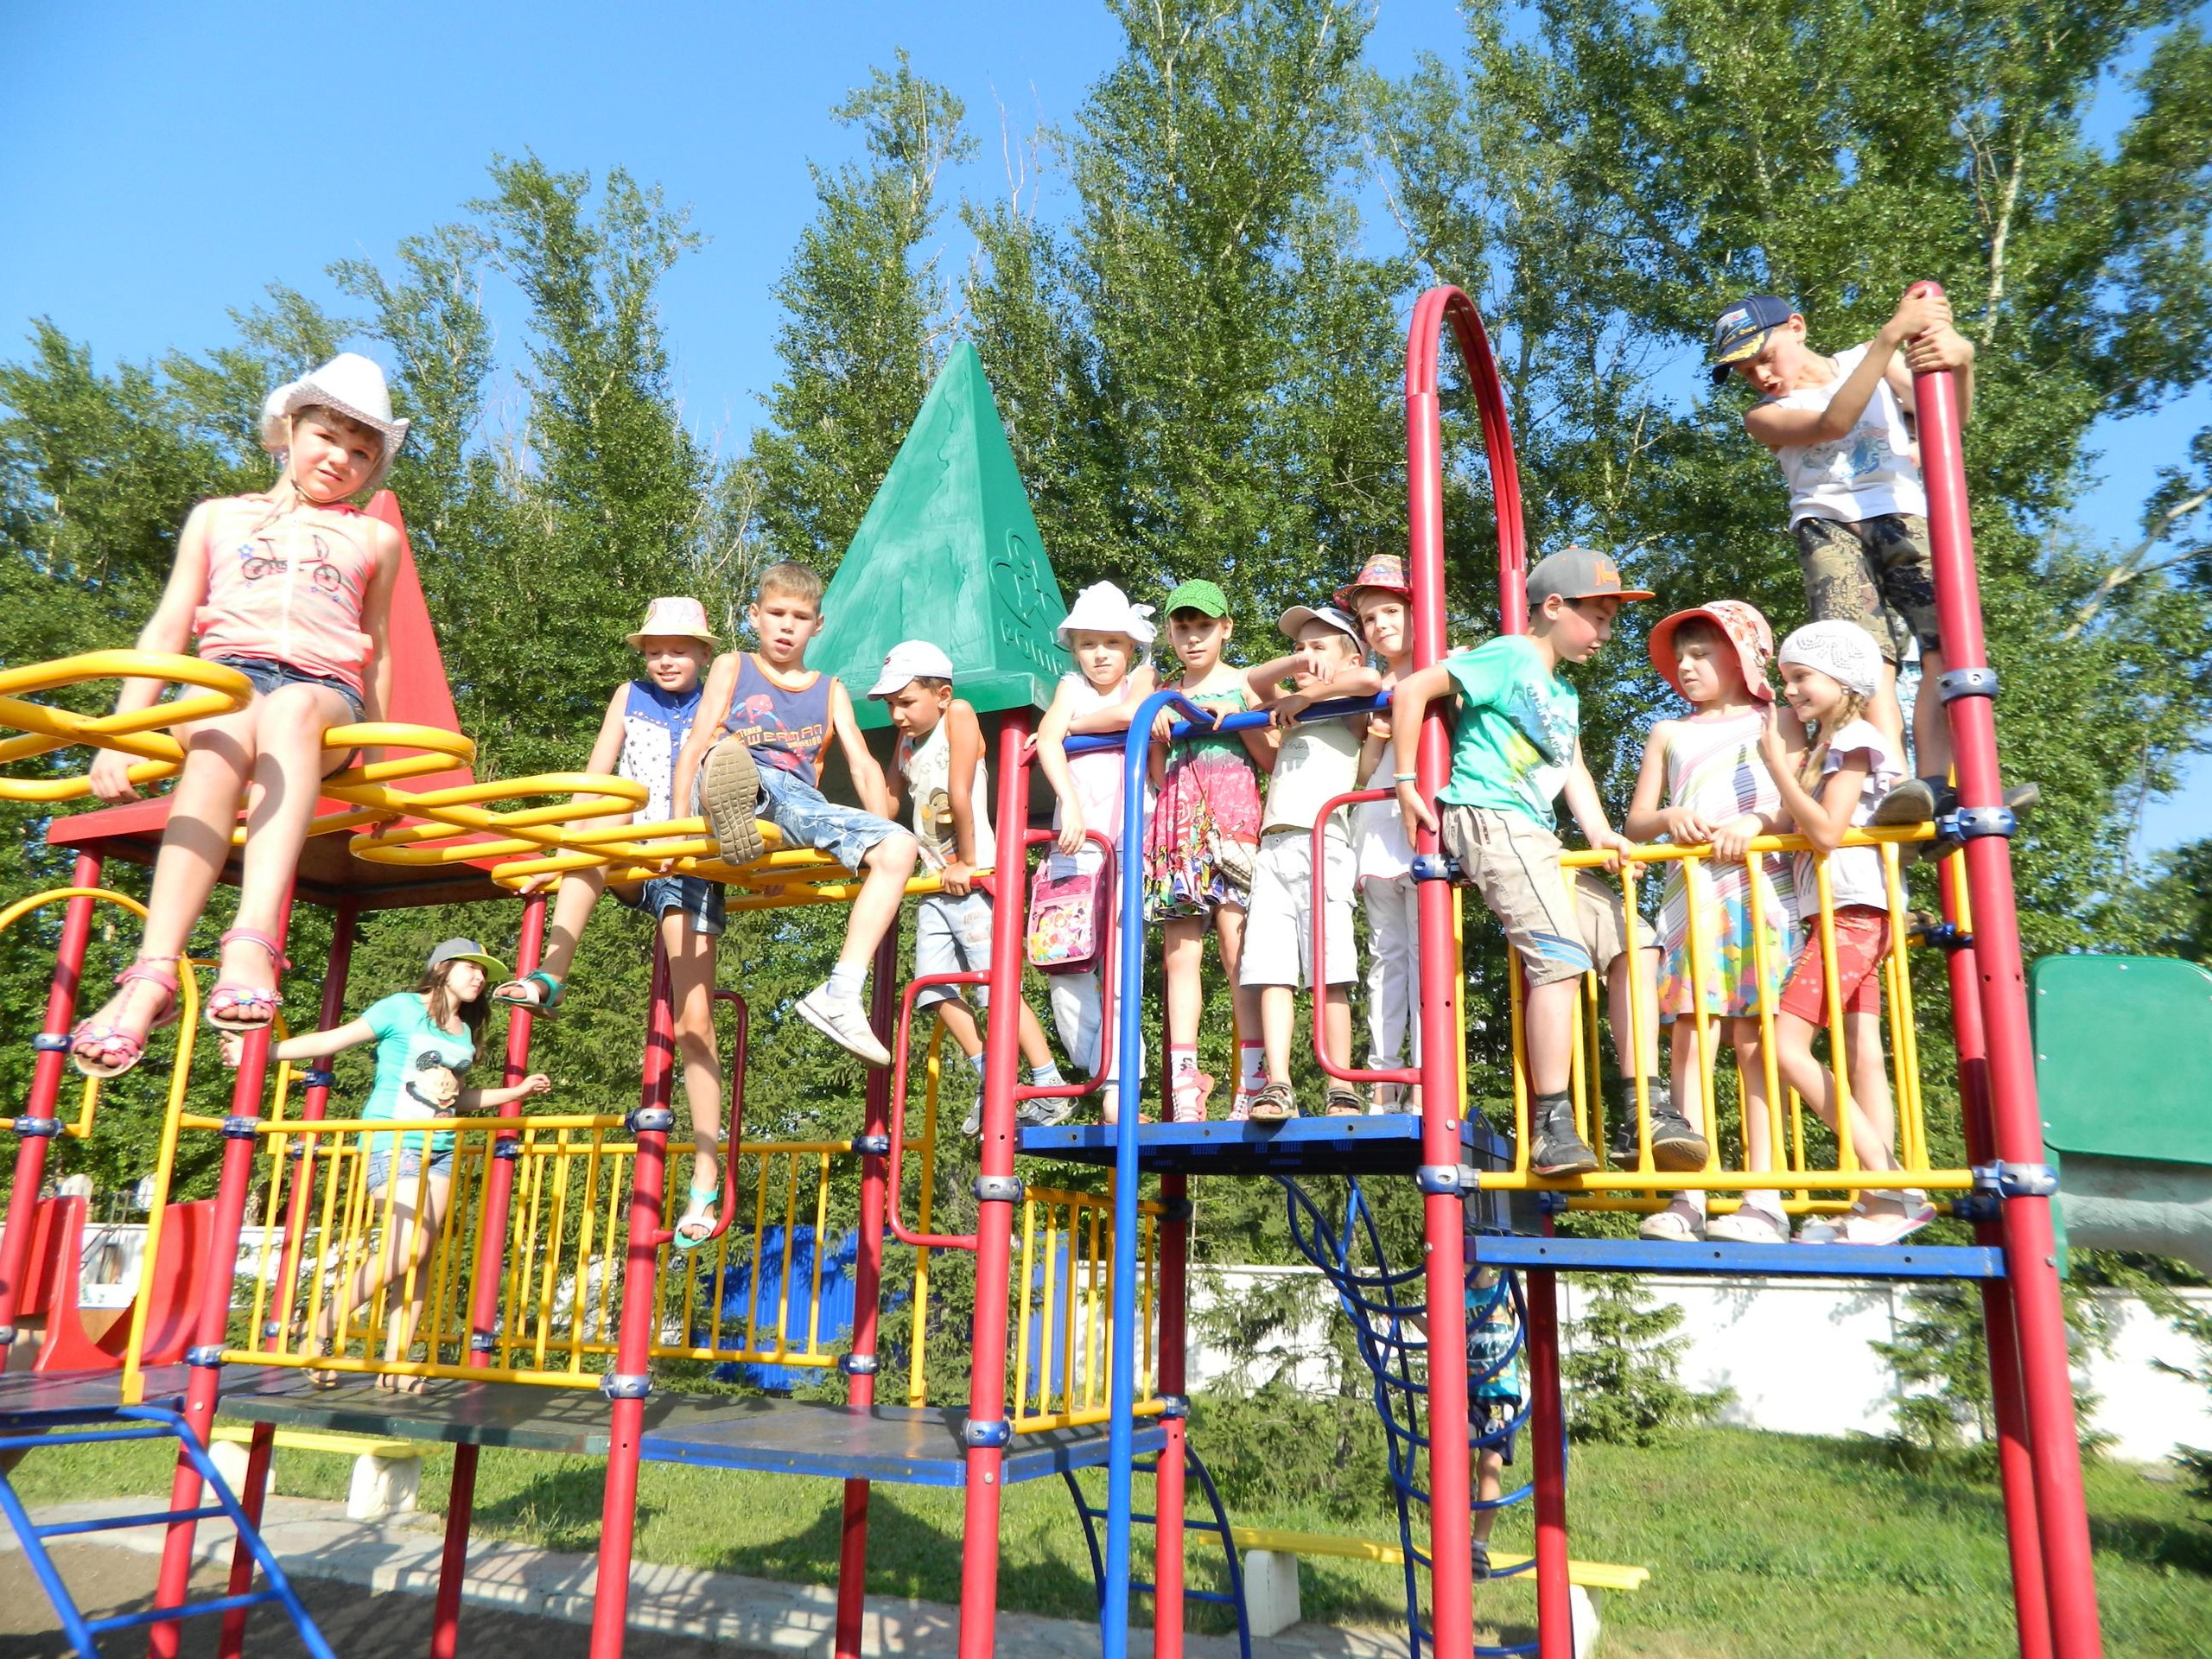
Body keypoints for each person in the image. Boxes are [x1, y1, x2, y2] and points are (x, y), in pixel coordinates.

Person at [70, 354, 407, 1078]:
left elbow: (376, 651)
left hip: (323, 693)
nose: (340, 459)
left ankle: (252, 939)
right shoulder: (219, 518)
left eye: (361, 452)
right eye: (327, 437)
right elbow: (168, 628)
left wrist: (378, 768)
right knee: (221, 733)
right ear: (289, 430)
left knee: (289, 706)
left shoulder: (373, 537)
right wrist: (119, 735)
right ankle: (151, 974)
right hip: (223, 683)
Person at [1388, 547, 1651, 1176]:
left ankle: (1643, 1106)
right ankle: (1551, 1124)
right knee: (1560, 958)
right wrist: (1405, 781)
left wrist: (1602, 834)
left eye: (1612, 621)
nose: (1606, 632)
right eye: (1599, 617)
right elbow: (1415, 688)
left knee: (1636, 943)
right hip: (1491, 816)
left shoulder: (1564, 692)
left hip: (1539, 836)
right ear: (1554, 606)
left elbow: (1572, 768)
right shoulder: (1510, 655)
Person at [489, 597, 731, 1249]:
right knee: (602, 811)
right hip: (627, 852)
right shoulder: (629, 696)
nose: (665, 660)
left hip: (689, 861)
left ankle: (705, 1173)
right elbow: (595, 779)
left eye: (678, 650)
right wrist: (556, 856)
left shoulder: (720, 701)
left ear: (703, 654)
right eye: (654, 651)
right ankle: (550, 975)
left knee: (694, 1024)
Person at [223, 938, 552, 1391]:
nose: (479, 977)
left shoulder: (463, 1032)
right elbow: (333, 1040)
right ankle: (317, 1328)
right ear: (442, 968)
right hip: (393, 1141)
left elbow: (455, 1098)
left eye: (484, 972)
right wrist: (259, 1053)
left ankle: (396, 1366)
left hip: (440, 1148)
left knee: (420, 1258)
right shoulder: (401, 1008)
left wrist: (515, 1092)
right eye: (470, 967)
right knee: (404, 1249)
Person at [672, 563, 920, 1068]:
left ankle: (840, 993)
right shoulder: (734, 666)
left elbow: (863, 766)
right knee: (724, 759)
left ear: (818, 625)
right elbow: (694, 741)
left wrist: (882, 835)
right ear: (754, 616)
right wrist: (675, 833)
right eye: (777, 613)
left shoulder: (829, 689)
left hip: (792, 801)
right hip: (731, 770)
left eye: (800, 617)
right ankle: (729, 812)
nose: (787, 626)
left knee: (900, 847)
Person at [1624, 601, 1800, 1243]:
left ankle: (1764, 1196)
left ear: (1741, 657)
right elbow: (1637, 822)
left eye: (1702, 654)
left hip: (1761, 896)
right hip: (1692, 899)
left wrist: (1755, 822)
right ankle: (1688, 1196)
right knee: (1690, 1039)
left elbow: (1794, 805)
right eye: (1682, 657)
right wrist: (1670, 818)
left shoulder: (1775, 721)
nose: (1687, 666)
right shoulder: (1668, 733)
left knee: (1757, 1042)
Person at [1756, 620, 1935, 1245]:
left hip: (1854, 911)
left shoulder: (1855, 741)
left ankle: (1890, 1185)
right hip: (1847, 912)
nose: (1791, 690)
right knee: (1862, 1055)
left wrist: (1776, 768)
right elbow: (1797, 823)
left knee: (1786, 1047)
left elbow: (1828, 831)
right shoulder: (1825, 747)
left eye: (1802, 677)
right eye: (1786, 679)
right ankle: (1878, 1203)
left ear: (1843, 679)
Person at [871, 639, 1069, 1135]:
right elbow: (887, 805)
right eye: (891, 704)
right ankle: (991, 1078)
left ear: (941, 694)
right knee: (931, 990)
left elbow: (960, 790)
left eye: (905, 702)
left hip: (976, 877)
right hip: (934, 883)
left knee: (994, 990)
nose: (896, 715)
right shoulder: (906, 741)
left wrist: (967, 860)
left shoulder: (957, 715)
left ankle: (1047, 1084)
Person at [1240, 602, 1384, 1119]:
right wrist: (1297, 670)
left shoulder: (1346, 704)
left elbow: (1370, 680)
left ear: (1349, 656)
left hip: (1324, 842)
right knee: (1271, 971)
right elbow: (1255, 681)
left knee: (1329, 970)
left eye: (1319, 647)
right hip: (1274, 847)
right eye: (1299, 647)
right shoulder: (1293, 706)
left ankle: (1340, 1083)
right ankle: (1277, 1083)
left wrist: (1310, 693)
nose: (1306, 655)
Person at [1145, 580, 1275, 1122]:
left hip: (1234, 825)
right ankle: (1185, 1082)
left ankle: (1254, 1080)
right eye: (1183, 628)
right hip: (1179, 832)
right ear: (1170, 634)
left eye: (1204, 627)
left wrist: (1239, 717)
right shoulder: (1163, 691)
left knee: (1236, 948)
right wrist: (1155, 729)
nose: (1193, 638)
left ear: (1226, 629)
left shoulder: (1244, 684)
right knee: (1181, 955)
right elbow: (1157, 775)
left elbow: (1272, 759)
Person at [1034, 583, 1159, 1123]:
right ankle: (1099, 1065)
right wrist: (1069, 803)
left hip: (1130, 839)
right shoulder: (1070, 686)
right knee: (1065, 965)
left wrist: (1076, 729)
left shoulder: (1143, 677)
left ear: (1131, 647)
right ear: (1075, 649)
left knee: (1123, 965)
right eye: (1088, 644)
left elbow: (1131, 713)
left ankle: (1117, 1088)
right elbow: (1046, 738)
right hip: (1077, 841)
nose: (1101, 654)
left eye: (1112, 643)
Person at [1343, 555, 1421, 1110]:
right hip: (1378, 825)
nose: (1380, 625)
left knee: (1425, 955)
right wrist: (1378, 730)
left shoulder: (1444, 669)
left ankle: (1425, 1079)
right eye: (1370, 618)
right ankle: (1384, 1078)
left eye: (1391, 611)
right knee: (1386, 956)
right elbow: (1365, 771)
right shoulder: (1376, 687)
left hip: (1419, 824)